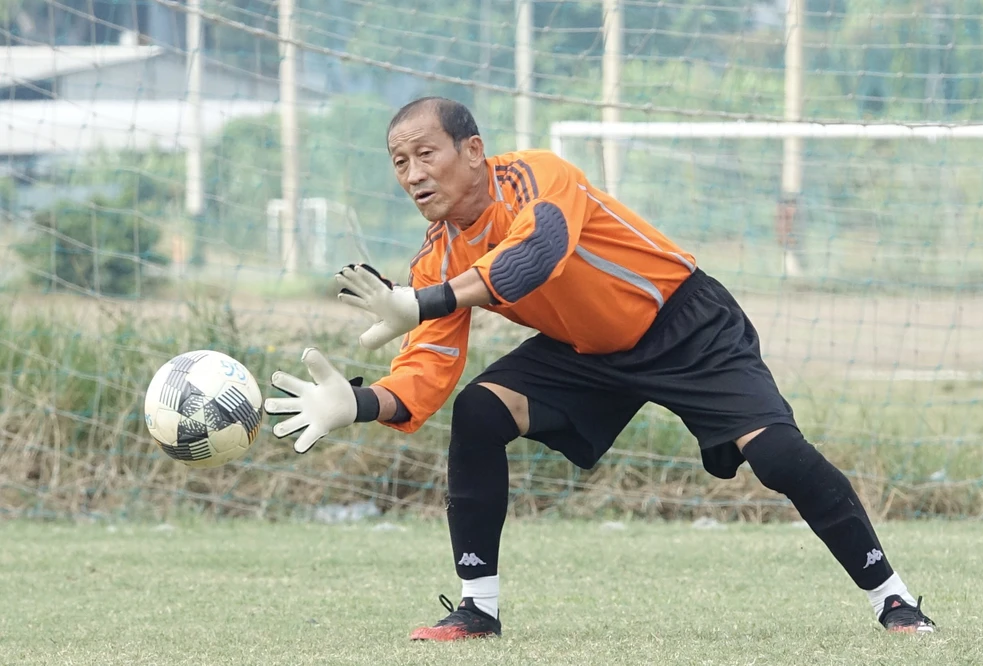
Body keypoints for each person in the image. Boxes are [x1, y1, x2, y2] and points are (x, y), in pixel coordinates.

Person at [263, 97, 935, 641]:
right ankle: (477, 609)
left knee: (780, 456)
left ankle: (893, 599)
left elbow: (536, 255)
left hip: (685, 322)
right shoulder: (436, 258)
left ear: (472, 151)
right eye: (399, 161)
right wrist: (357, 403)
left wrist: (424, 300)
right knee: (479, 410)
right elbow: (426, 370)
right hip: (586, 352)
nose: (413, 174)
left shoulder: (538, 175)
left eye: (425, 154)